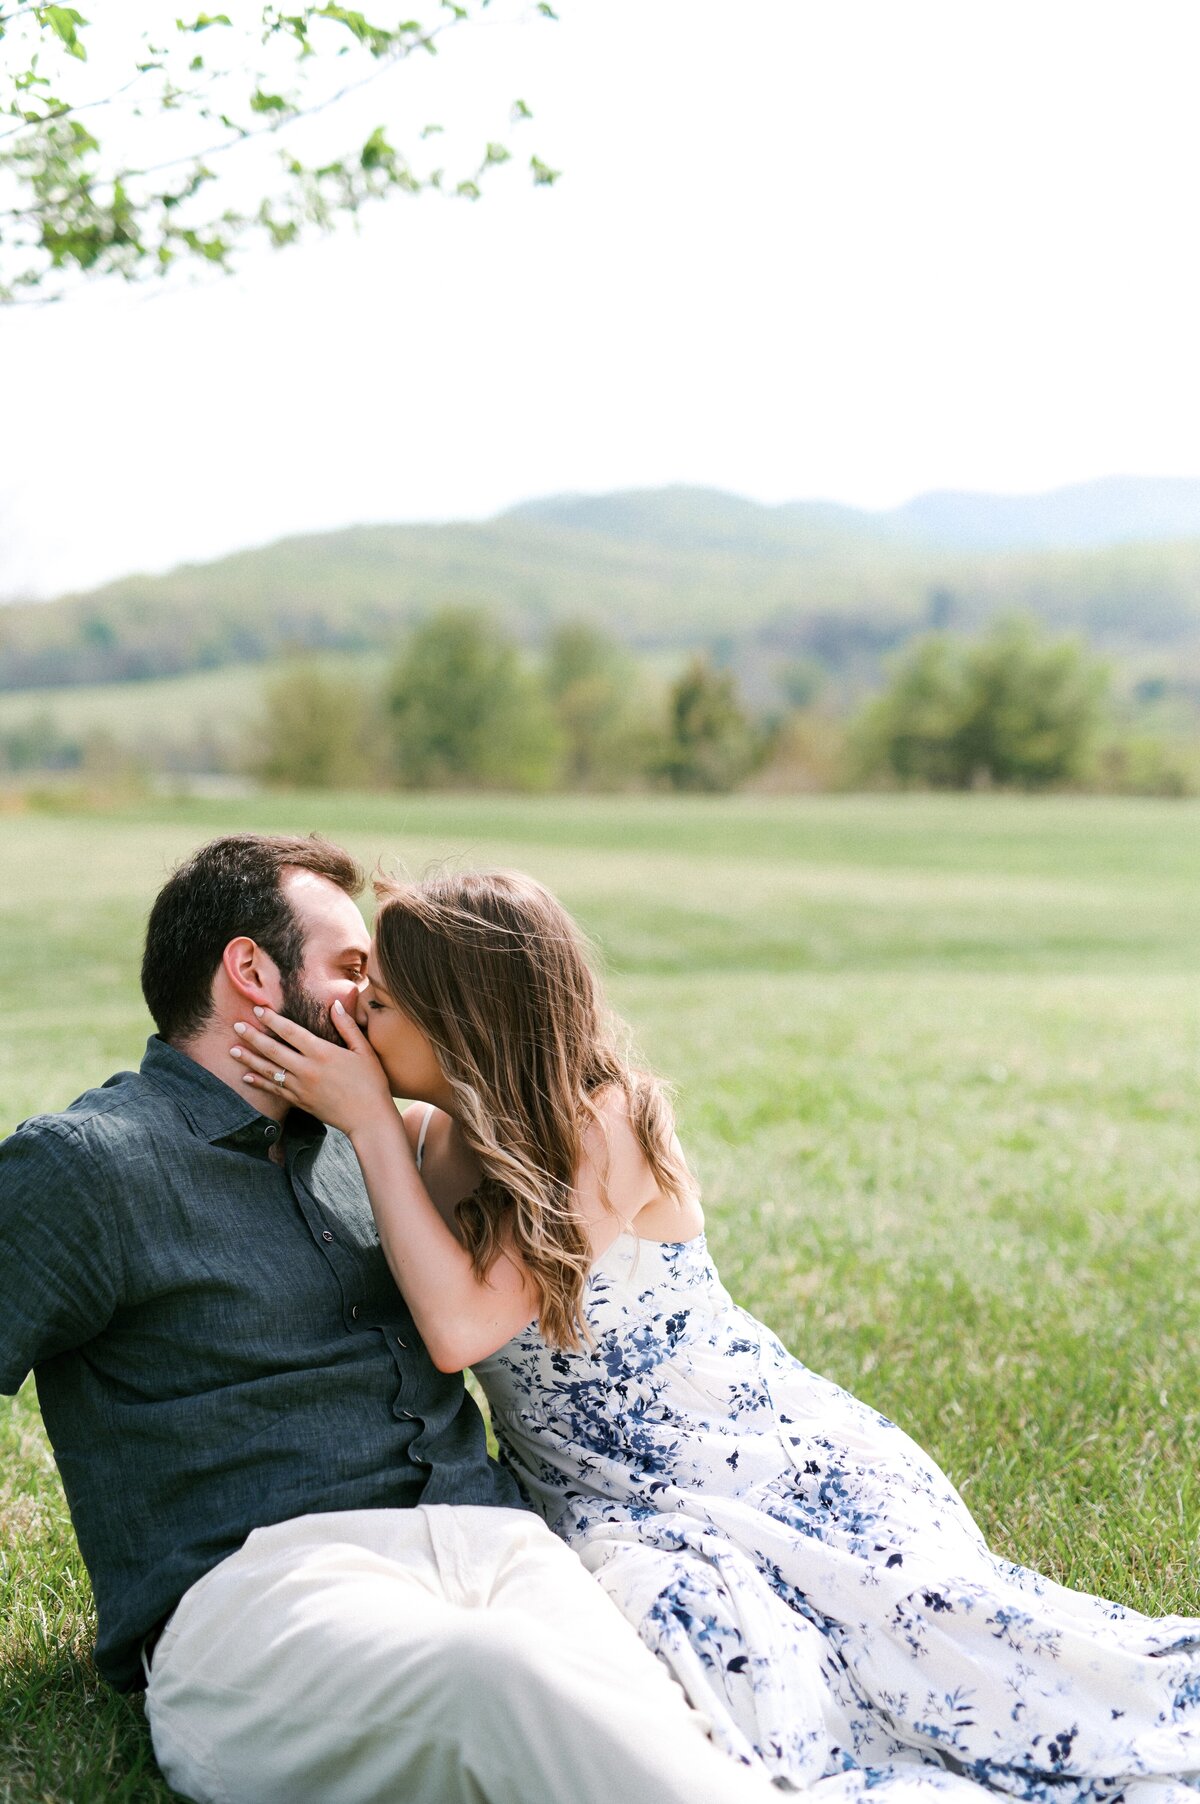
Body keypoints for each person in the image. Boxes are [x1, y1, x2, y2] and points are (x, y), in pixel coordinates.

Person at [228, 865, 1200, 1804]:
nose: (357, 1017)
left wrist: (367, 1127)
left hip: (756, 1461)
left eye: (384, 1003)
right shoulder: (438, 1142)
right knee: (706, 1670)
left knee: (930, 1646)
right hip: (608, 1505)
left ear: (463, 1023)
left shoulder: (608, 1120)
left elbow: (459, 1328)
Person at [0, 832, 794, 1804]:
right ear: (251, 971)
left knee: (675, 1727)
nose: (375, 1006)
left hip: (497, 1546)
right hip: (268, 1594)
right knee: (498, 1680)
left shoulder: (370, 1143)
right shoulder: (92, 1166)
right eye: (352, 971)